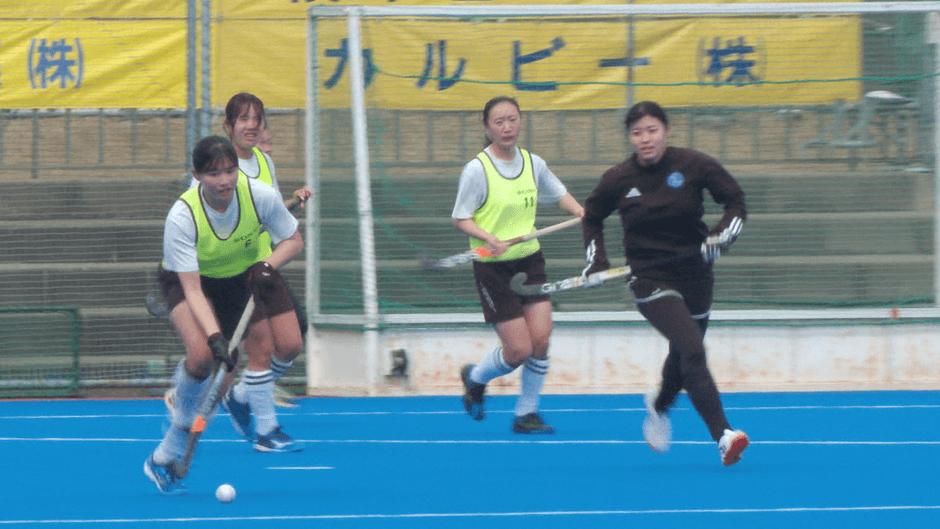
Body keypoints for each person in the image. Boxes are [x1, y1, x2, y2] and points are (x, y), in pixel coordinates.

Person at [580, 101, 749, 466]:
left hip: (696, 273)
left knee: (683, 353)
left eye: (652, 130)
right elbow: (591, 218)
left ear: (666, 131)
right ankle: (724, 435)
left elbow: (735, 201)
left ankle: (659, 406)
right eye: (637, 133)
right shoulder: (617, 179)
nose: (645, 139)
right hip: (649, 277)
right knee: (691, 348)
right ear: (629, 137)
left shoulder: (694, 165)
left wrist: (722, 237)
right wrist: (596, 261)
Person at [144, 135, 304, 494]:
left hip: (237, 280)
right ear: (197, 175)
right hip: (188, 281)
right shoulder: (182, 216)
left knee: (229, 370)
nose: (225, 180)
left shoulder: (259, 195)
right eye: (214, 173)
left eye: (230, 170)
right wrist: (217, 337)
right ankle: (174, 439)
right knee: (202, 355)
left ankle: (165, 458)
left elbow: (293, 240)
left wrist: (267, 265)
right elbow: (194, 290)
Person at [454, 96, 584, 434]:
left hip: (529, 261)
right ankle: (476, 378)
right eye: (499, 121)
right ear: (487, 127)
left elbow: (559, 194)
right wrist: (490, 239)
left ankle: (526, 413)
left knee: (541, 340)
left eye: (512, 119)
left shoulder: (533, 163)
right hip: (493, 267)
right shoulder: (476, 169)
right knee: (518, 349)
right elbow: (461, 219)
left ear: (520, 121)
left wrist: (583, 213)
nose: (507, 127)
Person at [216, 93, 312, 439]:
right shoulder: (221, 166)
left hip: (266, 264)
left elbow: (270, 214)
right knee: (259, 349)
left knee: (290, 345)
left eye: (256, 118)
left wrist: (288, 213)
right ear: (229, 126)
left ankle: (240, 396)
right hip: (234, 270)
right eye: (243, 119)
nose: (252, 125)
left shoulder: (262, 161)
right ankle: (267, 431)